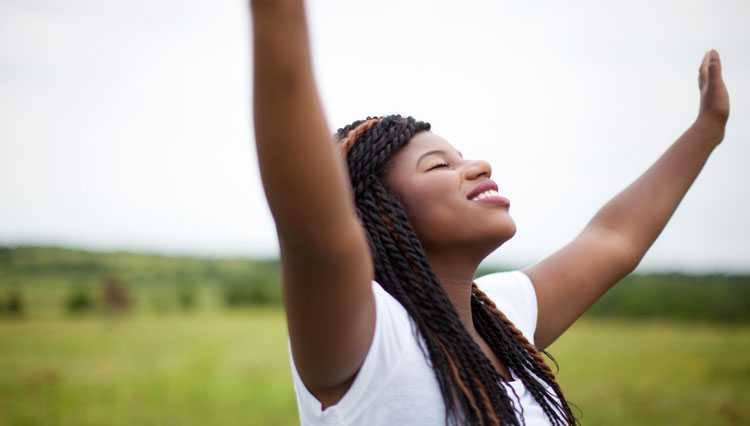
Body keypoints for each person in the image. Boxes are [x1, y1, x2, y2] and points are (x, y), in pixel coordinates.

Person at [249, 1, 730, 425]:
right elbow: (311, 228)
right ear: (382, 213)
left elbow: (613, 238)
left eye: (462, 157)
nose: (478, 166)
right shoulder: (370, 340)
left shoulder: (501, 314)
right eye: (439, 165)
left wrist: (707, 130)